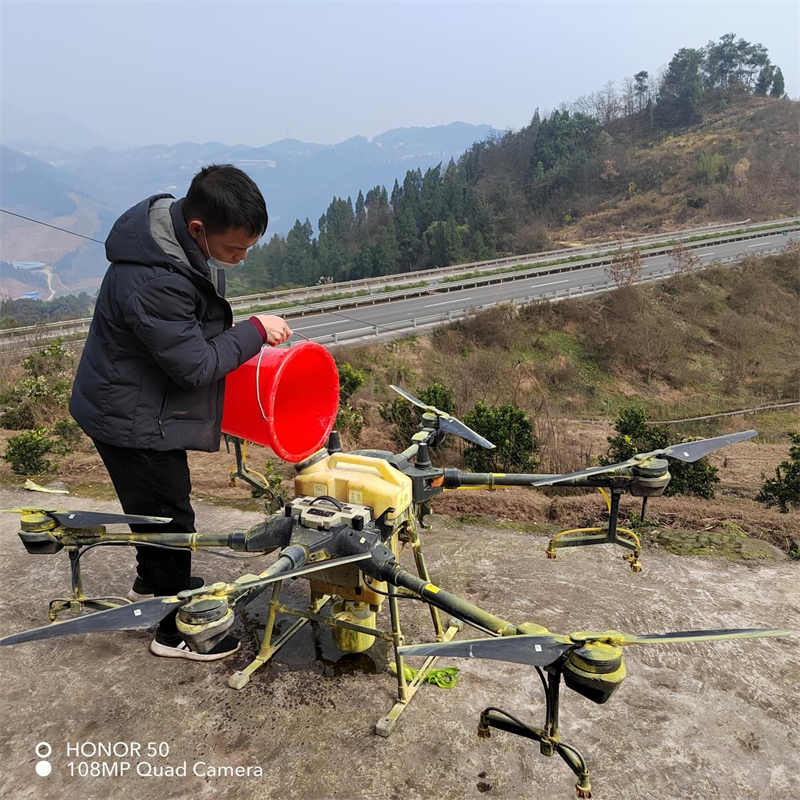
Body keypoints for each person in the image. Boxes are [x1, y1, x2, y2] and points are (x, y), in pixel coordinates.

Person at [70, 164, 291, 661]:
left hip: (127, 398)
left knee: (151, 509)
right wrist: (255, 330)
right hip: (132, 417)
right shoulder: (155, 280)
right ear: (198, 229)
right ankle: (177, 631)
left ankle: (152, 582)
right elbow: (195, 367)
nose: (240, 257)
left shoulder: (170, 241)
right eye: (235, 248)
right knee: (171, 517)